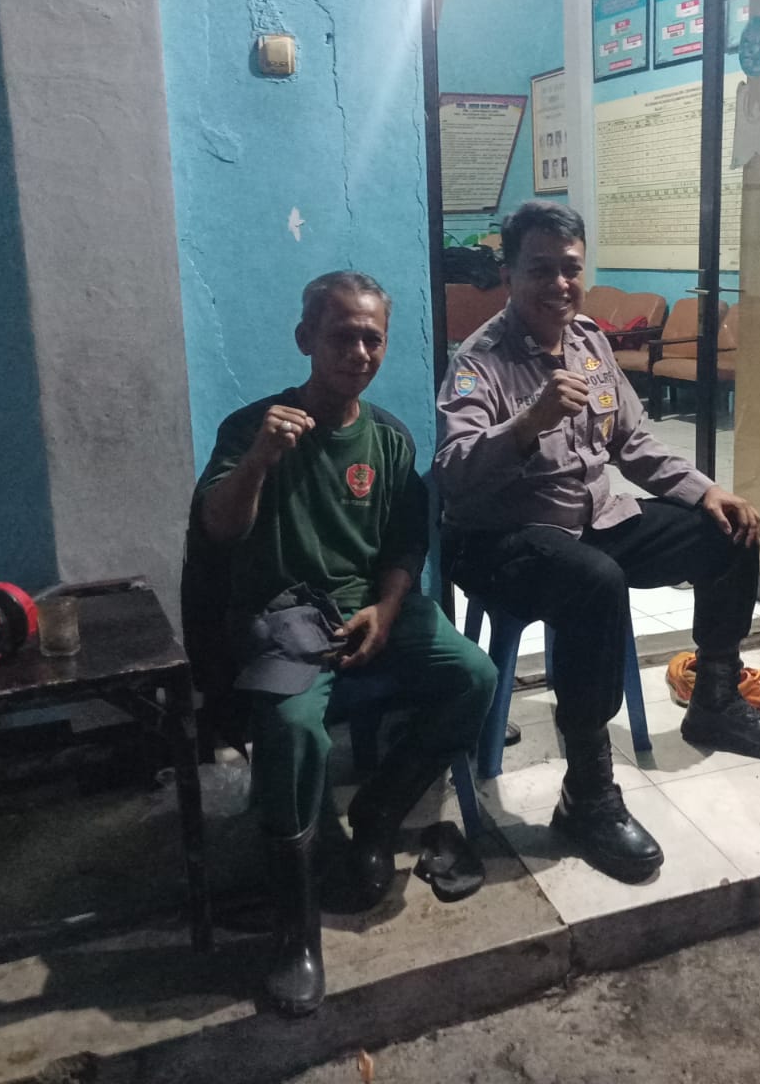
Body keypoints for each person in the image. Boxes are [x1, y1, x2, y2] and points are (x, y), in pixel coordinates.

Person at [434, 201, 760, 885]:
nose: (559, 284)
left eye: (570, 269)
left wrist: (705, 490)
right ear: (509, 273)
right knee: (593, 581)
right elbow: (454, 474)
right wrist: (528, 422)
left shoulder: (589, 341)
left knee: (730, 529)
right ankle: (587, 792)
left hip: (593, 519)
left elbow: (633, 442)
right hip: (501, 537)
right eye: (540, 269)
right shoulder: (478, 361)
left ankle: (715, 702)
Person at [190, 271, 497, 1016]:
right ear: (306, 339)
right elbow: (218, 528)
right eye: (342, 336)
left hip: (369, 609)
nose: (358, 352)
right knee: (295, 731)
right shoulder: (254, 427)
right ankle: (295, 933)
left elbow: (404, 545)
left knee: (475, 677)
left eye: (372, 338)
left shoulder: (387, 439)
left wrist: (386, 612)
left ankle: (378, 820)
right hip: (285, 617)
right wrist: (259, 460)